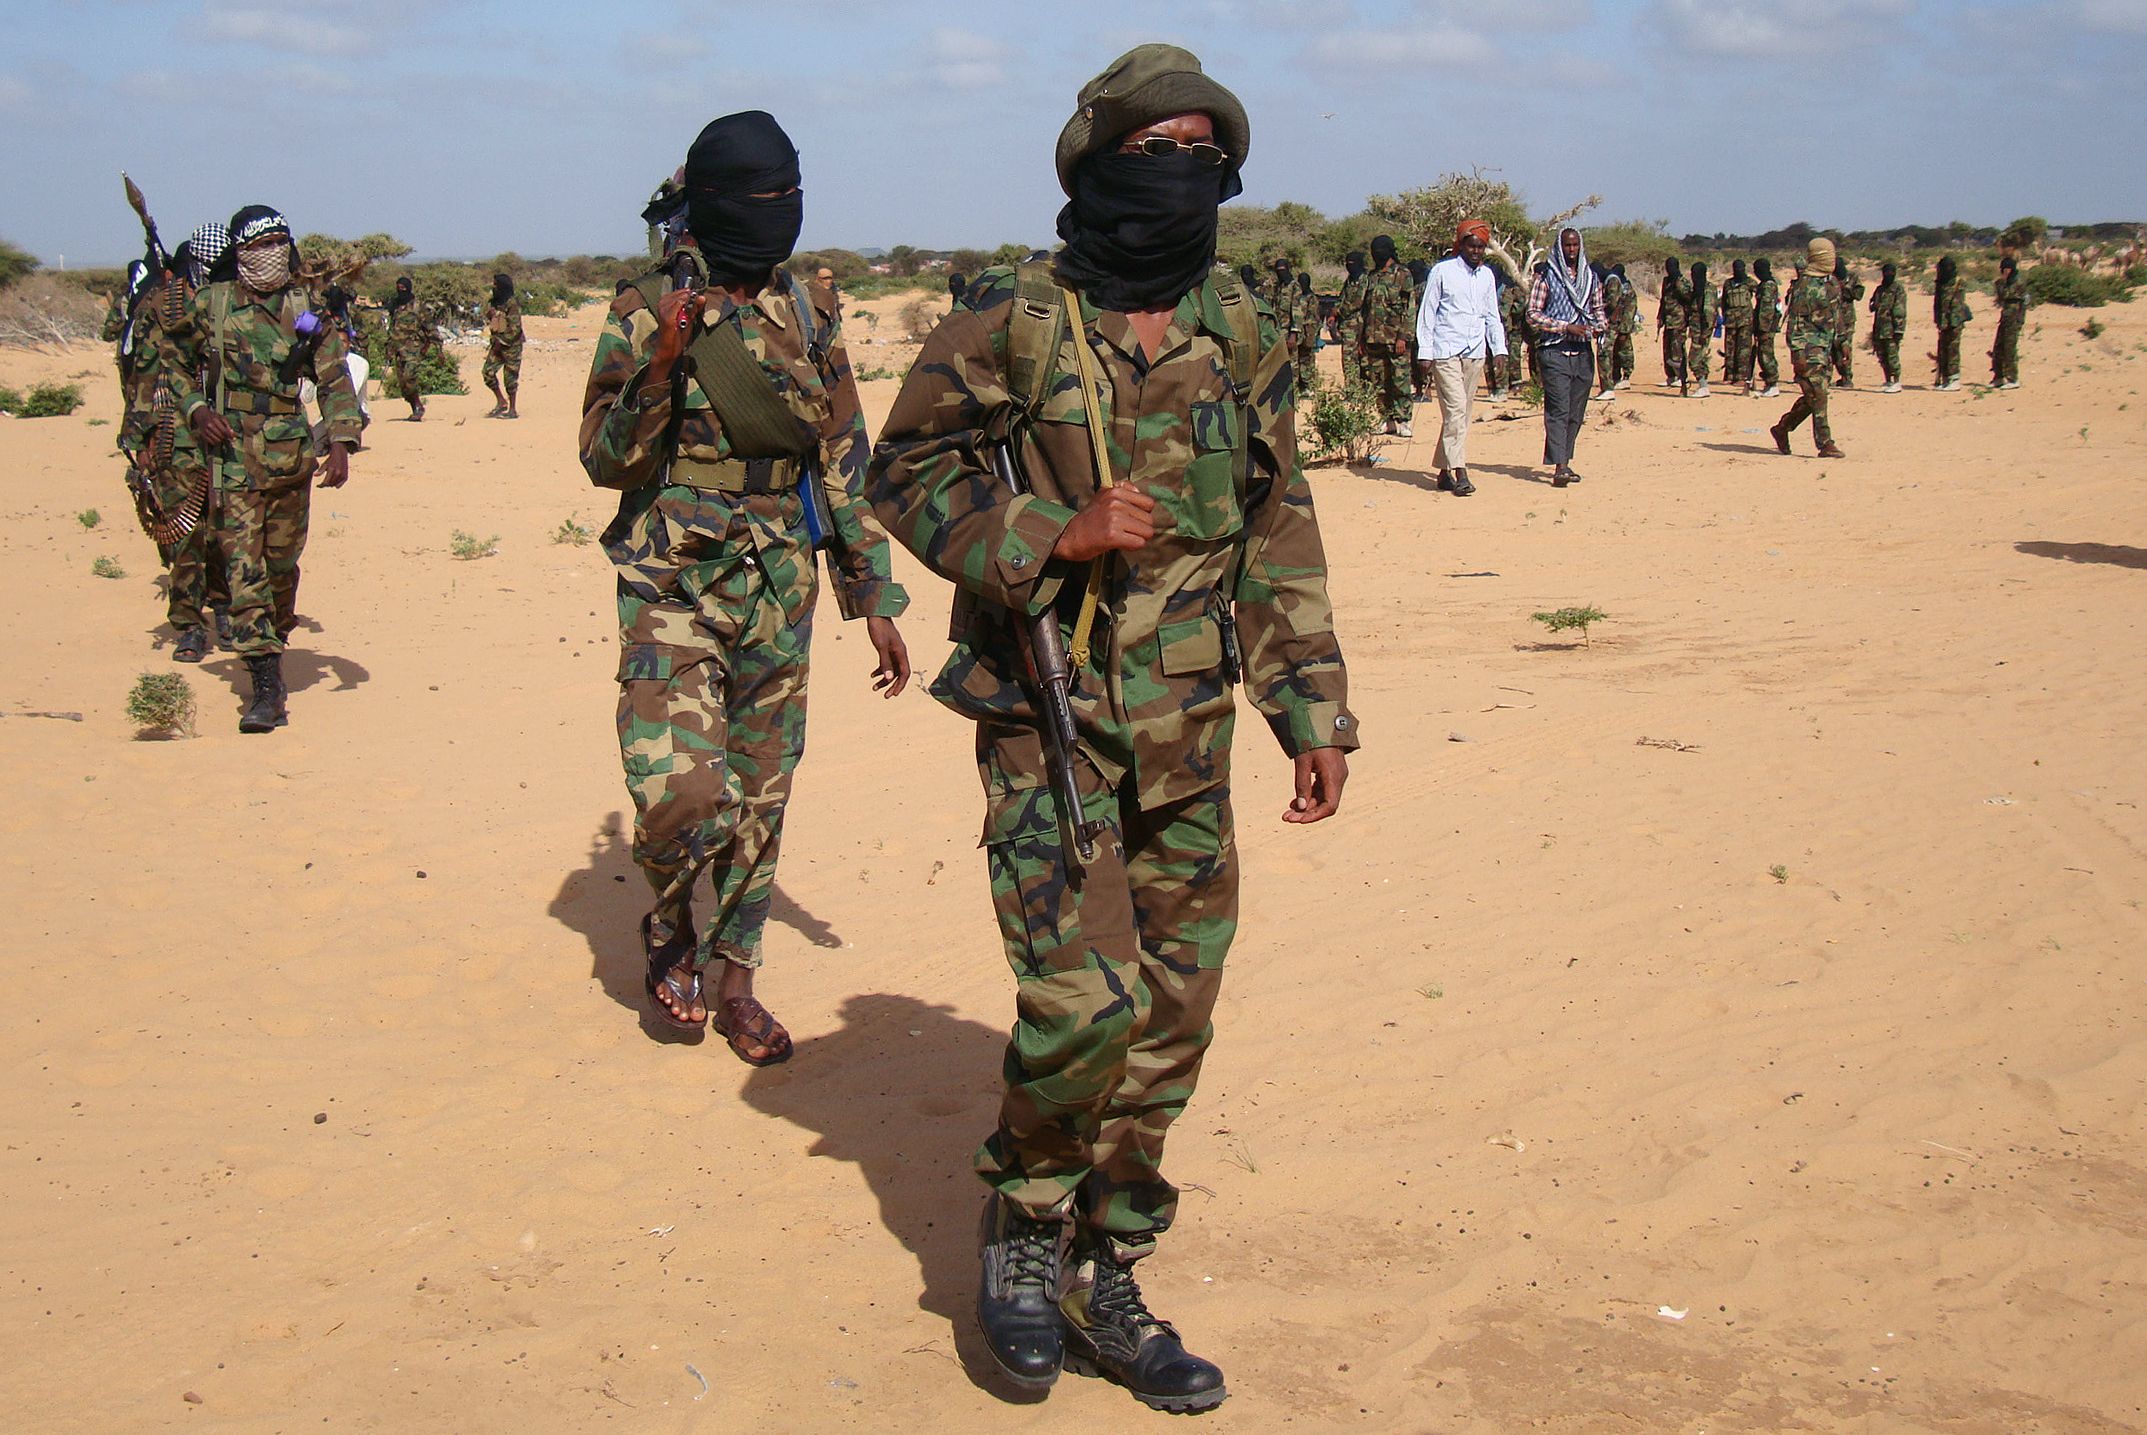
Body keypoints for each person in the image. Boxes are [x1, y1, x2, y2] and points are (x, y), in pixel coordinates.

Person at [868, 46, 1355, 1413]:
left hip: (1189, 727)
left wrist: (1307, 703)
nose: (1177, 169)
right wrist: (1043, 531)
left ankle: (1108, 1259)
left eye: (1200, 148)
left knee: (1175, 1012)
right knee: (1077, 1005)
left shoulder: (1238, 327)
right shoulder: (1010, 319)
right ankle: (1023, 1226)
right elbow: (898, 474)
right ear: (1091, 164)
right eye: (1151, 149)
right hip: (1049, 726)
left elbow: (1277, 523)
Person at [579, 111, 913, 1064]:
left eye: (788, 196)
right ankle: (668, 921)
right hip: (672, 579)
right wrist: (661, 365)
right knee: (679, 794)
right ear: (714, 202)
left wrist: (872, 593)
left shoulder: (810, 305)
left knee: (762, 792)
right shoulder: (644, 302)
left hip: (780, 580)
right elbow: (604, 459)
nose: (777, 215)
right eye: (757, 198)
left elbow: (842, 450)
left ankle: (736, 981)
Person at [159, 205, 362, 731]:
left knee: (279, 569)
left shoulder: (305, 309)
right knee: (243, 572)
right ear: (238, 253)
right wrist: (196, 410)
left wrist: (341, 440)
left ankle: (276, 636)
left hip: (292, 456)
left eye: (277, 243)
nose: (268, 255)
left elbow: (335, 376)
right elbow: (173, 362)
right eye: (256, 246)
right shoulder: (212, 305)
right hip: (232, 461)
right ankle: (265, 687)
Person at [120, 223, 232, 661]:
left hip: (229, 428)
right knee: (185, 530)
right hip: (175, 429)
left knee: (226, 525)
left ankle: (224, 607)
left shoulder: (236, 301)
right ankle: (188, 622)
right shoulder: (162, 304)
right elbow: (142, 371)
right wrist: (141, 437)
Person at [1416, 219, 1508, 495]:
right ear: (1461, 245)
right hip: (1445, 351)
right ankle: (1461, 472)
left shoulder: (1487, 276)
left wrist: (1499, 348)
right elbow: (1428, 312)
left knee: (1461, 415)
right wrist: (1425, 351)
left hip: (1475, 352)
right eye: (1471, 246)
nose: (1476, 252)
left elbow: (1492, 315)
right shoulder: (1442, 272)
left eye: (1481, 247)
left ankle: (1443, 471)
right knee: (1455, 410)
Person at [1527, 227, 1607, 486]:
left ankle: (1566, 460)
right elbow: (1533, 313)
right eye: (1566, 246)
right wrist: (1564, 326)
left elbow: (1597, 309)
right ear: (1559, 247)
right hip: (1555, 350)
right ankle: (1559, 466)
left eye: (1574, 246)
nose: (1571, 251)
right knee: (1558, 410)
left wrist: (1598, 327)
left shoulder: (1590, 277)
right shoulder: (1547, 276)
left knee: (1576, 411)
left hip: (1582, 352)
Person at [1769, 236, 1846, 459]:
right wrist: (1798, 354)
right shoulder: (1804, 287)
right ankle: (1825, 443)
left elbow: (1836, 318)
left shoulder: (1831, 283)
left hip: (1826, 348)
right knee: (1819, 395)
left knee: (1814, 397)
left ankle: (1783, 427)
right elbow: (1796, 325)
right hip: (1808, 350)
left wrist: (1842, 346)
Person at [1361, 235, 1416, 436]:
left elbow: (1410, 308)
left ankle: (1403, 420)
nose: (1377, 254)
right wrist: (1362, 337)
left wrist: (1403, 336)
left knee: (1400, 379)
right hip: (1374, 338)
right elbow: (1365, 310)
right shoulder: (1372, 276)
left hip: (1396, 339)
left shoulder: (1403, 274)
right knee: (1379, 381)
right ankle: (1386, 419)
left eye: (1380, 250)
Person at [383, 275, 441, 420]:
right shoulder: (395, 307)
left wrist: (439, 350)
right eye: (398, 288)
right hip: (398, 350)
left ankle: (418, 408)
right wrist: (388, 350)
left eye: (403, 288)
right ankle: (416, 406)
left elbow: (431, 329)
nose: (400, 291)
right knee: (403, 384)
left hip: (413, 349)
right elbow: (393, 330)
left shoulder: (418, 307)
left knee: (410, 377)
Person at [482, 272, 524, 418]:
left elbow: (515, 327)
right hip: (496, 344)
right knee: (488, 372)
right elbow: (490, 318)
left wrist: (503, 342)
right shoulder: (494, 301)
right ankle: (501, 401)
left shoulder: (511, 303)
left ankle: (512, 409)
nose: (493, 287)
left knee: (510, 377)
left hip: (511, 345)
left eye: (496, 284)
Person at [1868, 261, 1908, 392]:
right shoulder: (1880, 289)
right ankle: (1888, 380)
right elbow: (1872, 306)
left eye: (1891, 273)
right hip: (1879, 328)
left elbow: (1900, 310)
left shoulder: (1898, 289)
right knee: (1882, 355)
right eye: (1886, 273)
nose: (1888, 275)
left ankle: (1896, 380)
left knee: (1892, 355)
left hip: (1891, 329)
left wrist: (1899, 329)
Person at [1934, 254, 1971, 390]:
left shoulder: (1958, 283)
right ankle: (1945, 378)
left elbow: (1957, 304)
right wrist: (1938, 320)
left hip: (1955, 322)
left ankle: (1954, 378)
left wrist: (1952, 323)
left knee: (1953, 349)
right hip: (1943, 322)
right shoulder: (1940, 284)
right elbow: (1937, 304)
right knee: (1943, 350)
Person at [1492, 261, 1527, 399]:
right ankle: (1499, 385)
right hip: (1499, 327)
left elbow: (1519, 305)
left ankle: (1513, 383)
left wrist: (1510, 316)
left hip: (1512, 328)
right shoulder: (1494, 285)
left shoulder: (1509, 286)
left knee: (1512, 355)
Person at [1720, 259, 1757, 388]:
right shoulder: (1728, 283)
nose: (1738, 271)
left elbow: (1761, 295)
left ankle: (1741, 376)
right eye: (1736, 268)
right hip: (1731, 320)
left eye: (1740, 268)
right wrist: (1725, 315)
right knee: (1730, 349)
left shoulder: (1749, 282)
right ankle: (1729, 374)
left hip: (1745, 320)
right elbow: (1724, 301)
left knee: (1744, 349)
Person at [1991, 255, 2026, 388]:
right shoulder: (2002, 283)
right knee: (1998, 348)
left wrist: (2002, 283)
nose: (2005, 272)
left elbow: (2009, 296)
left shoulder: (2018, 284)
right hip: (2005, 319)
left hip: (2014, 320)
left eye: (2007, 269)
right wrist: (2000, 283)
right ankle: (1998, 377)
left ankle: (2012, 379)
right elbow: (2000, 299)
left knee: (2009, 349)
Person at [1336, 248, 1368, 389]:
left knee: (1362, 358)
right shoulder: (1350, 280)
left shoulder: (1364, 280)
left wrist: (1340, 312)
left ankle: (1364, 387)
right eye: (1347, 263)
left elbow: (1358, 302)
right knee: (1348, 357)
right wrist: (1334, 313)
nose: (1349, 266)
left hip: (1360, 324)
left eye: (1352, 263)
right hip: (1348, 326)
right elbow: (1341, 298)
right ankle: (1352, 388)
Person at [1751, 256, 1782, 397]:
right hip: (1764, 325)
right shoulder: (1764, 284)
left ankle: (1772, 383)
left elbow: (1767, 309)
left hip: (1766, 327)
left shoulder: (1768, 285)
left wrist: (1761, 327)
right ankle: (1769, 383)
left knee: (1766, 355)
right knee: (1762, 354)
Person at [1831, 255, 1864, 386]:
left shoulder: (1852, 277)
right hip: (1832, 318)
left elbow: (1858, 295)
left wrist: (1844, 288)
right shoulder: (1830, 279)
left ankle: (1847, 377)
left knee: (1845, 348)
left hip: (1847, 319)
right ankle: (1836, 376)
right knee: (1833, 350)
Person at [1684, 261, 1714, 396]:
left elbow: (1709, 313)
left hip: (1702, 331)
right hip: (1696, 329)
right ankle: (1703, 384)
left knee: (1694, 359)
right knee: (1699, 358)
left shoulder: (1707, 290)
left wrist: (1705, 333)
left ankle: (1703, 386)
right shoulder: (1697, 289)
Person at [1607, 263, 1639, 389]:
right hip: (1616, 325)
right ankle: (1616, 377)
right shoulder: (1617, 286)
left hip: (1624, 326)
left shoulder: (1627, 290)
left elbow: (1630, 310)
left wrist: (1625, 330)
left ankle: (1626, 377)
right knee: (1615, 352)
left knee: (1625, 351)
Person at [1658, 257, 1689, 388]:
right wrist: (1660, 316)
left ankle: (1680, 376)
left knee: (1677, 349)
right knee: (1667, 349)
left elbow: (1687, 297)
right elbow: (1663, 300)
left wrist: (1678, 283)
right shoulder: (1666, 281)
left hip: (1679, 319)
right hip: (1668, 319)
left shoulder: (1682, 281)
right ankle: (1670, 376)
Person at [1407, 256, 1431, 398]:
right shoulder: (1412, 286)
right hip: (1412, 328)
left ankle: (1426, 390)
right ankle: (1419, 389)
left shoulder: (1425, 287)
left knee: (1423, 359)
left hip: (1422, 328)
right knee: (1413, 360)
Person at [1293, 270, 1320, 397]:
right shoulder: (1298, 297)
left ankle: (1309, 385)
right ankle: (1299, 385)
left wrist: (1309, 334)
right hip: (1299, 332)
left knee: (1307, 359)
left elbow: (1312, 318)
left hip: (1308, 332)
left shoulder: (1311, 298)